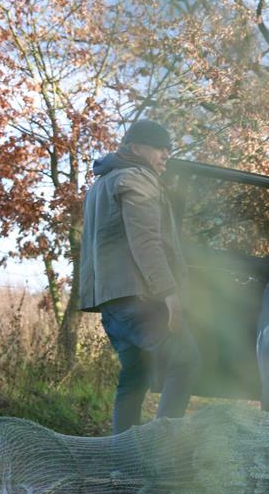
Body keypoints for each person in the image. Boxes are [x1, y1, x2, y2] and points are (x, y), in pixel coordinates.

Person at [79, 119, 200, 435]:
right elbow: (145, 241)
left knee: (135, 374)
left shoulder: (102, 184)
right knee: (185, 359)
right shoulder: (137, 178)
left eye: (169, 148)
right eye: (159, 147)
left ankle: (124, 461)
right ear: (135, 148)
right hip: (138, 297)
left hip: (112, 300)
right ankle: (159, 449)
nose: (166, 154)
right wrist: (170, 292)